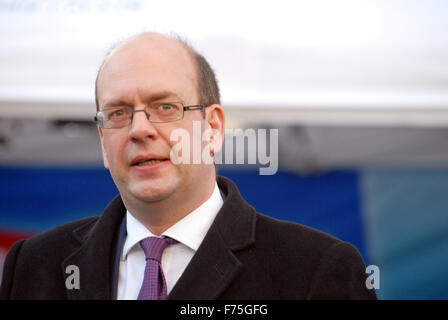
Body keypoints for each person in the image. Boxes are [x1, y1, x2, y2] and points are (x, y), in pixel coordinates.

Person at [0, 32, 377, 300]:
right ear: (102, 141)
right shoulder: (34, 265)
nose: (139, 129)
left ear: (213, 128)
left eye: (165, 107)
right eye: (118, 113)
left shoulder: (315, 269)